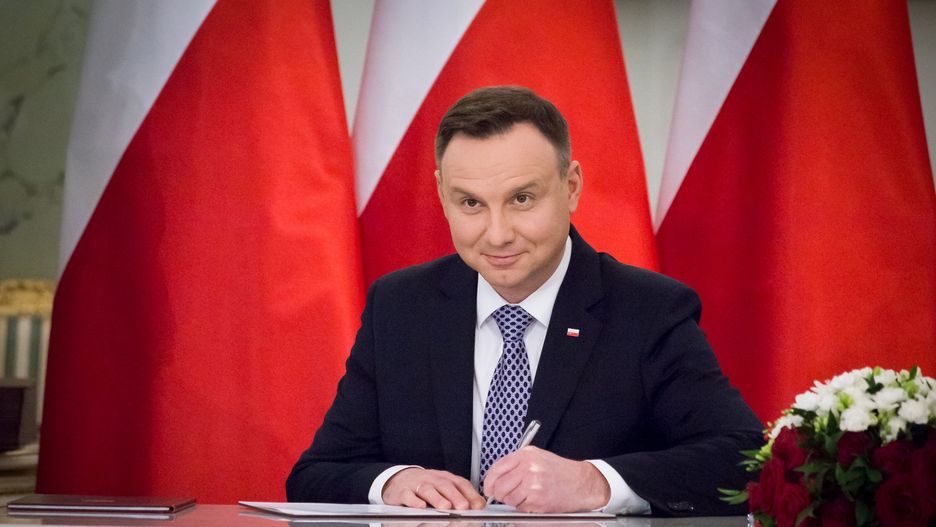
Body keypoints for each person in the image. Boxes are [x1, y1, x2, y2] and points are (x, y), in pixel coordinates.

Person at [286, 86, 763, 516]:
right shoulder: (400, 306)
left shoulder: (648, 310)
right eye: (471, 203)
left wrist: (596, 483)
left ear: (571, 187)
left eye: (521, 199)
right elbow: (316, 475)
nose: (497, 234)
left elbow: (743, 458)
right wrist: (392, 482)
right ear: (441, 194)